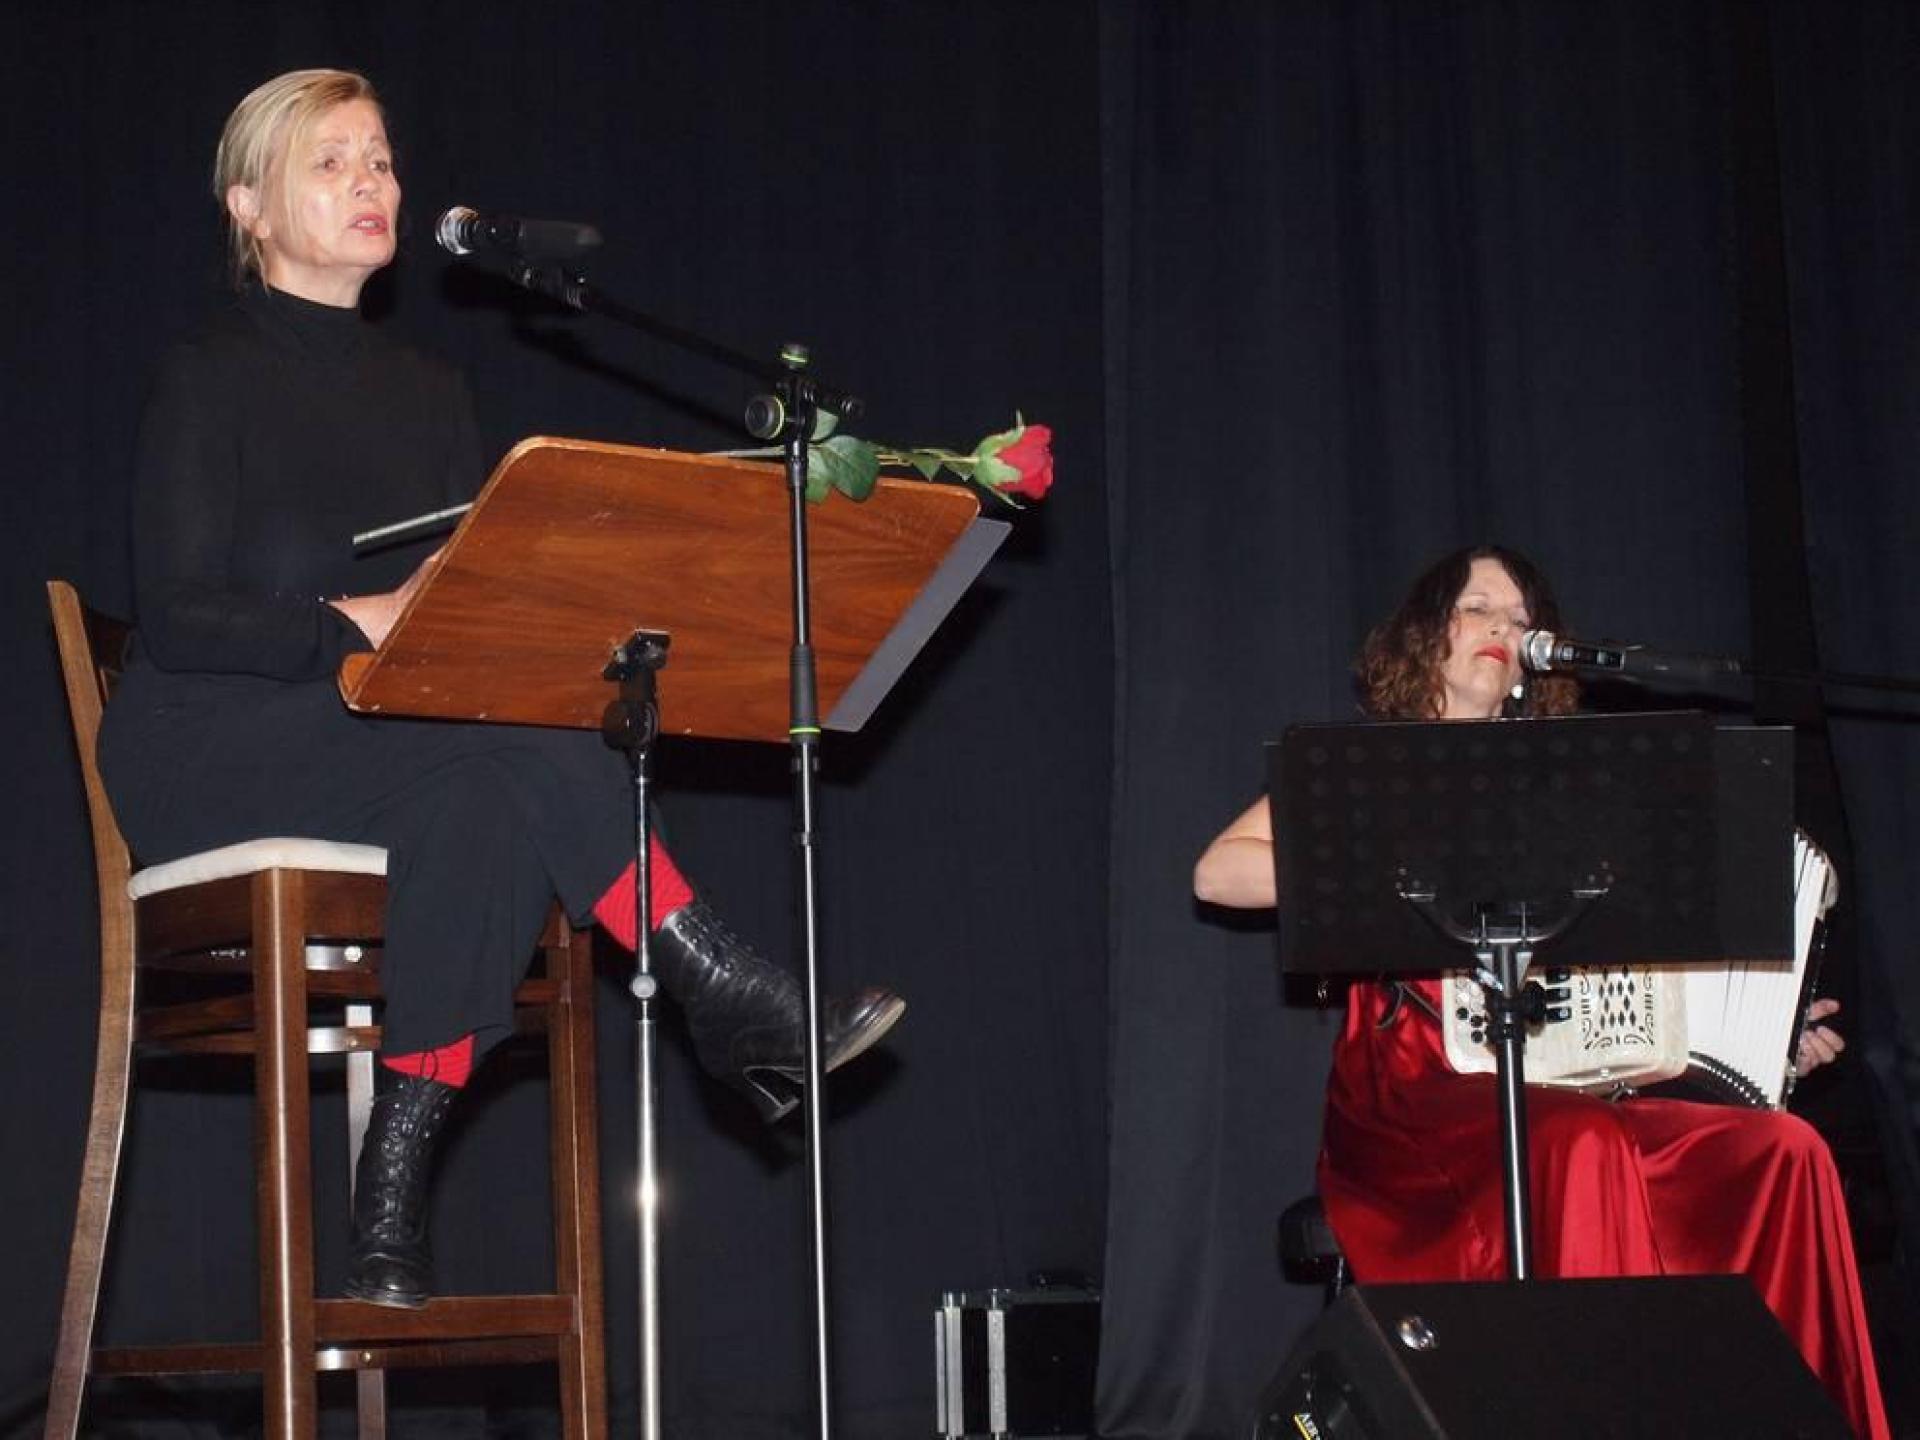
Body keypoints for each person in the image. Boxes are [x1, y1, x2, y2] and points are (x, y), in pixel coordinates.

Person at [98, 69, 904, 1311]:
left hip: (386, 744)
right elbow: (181, 614)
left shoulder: (432, 394)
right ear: (249, 206)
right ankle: (722, 982)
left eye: (380, 159)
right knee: (520, 754)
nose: (371, 182)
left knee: (492, 791)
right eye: (332, 162)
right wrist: (344, 625)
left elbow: (464, 604)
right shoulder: (207, 373)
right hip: (210, 745)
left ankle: (391, 1188)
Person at [1194, 544, 1889, 1439]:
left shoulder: (1584, 788)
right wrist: (1407, 870)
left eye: (1522, 620)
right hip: (1416, 1084)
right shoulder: (1376, 769)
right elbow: (1219, 874)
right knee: (1582, 1146)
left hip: (1569, 1078)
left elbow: (1641, 998)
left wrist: (1769, 1041)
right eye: (1480, 608)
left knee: (1783, 1152)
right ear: (1424, 636)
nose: (1506, 630)